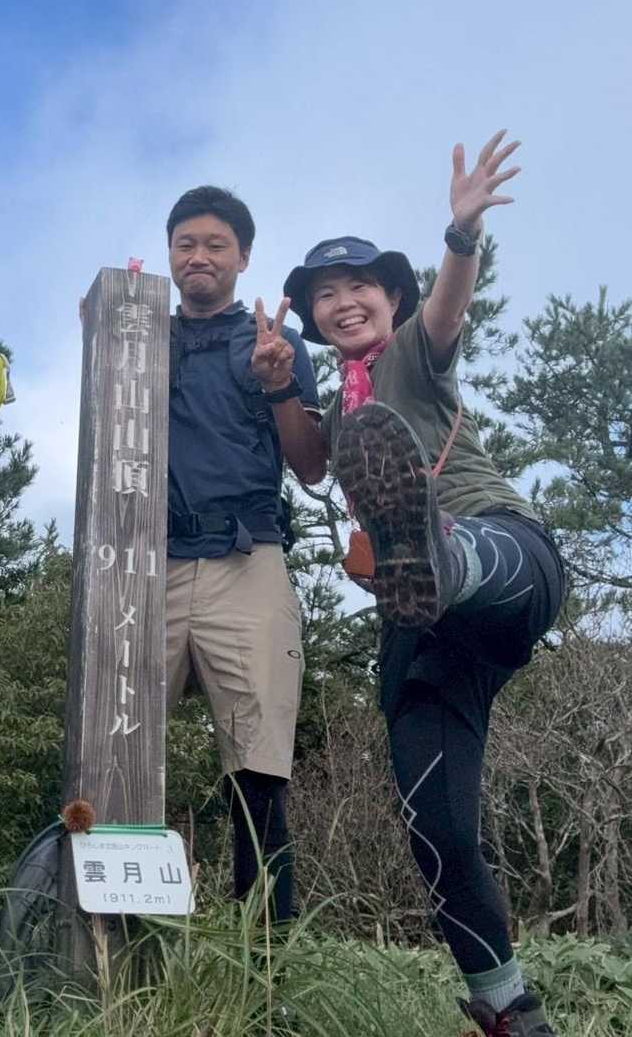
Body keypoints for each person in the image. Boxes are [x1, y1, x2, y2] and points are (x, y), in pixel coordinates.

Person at [282, 133, 565, 1037]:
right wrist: (278, 384)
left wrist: (461, 231)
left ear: (391, 298)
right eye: (324, 294)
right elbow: (310, 466)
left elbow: (448, 309)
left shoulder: (411, 350)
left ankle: (444, 555)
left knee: (470, 554)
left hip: (503, 557)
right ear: (313, 316)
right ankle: (506, 1004)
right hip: (424, 625)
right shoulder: (341, 403)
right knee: (432, 821)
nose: (342, 301)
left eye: (358, 285)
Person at [165, 186, 325, 925]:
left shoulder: (271, 340)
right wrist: (102, 327)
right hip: (147, 562)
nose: (198, 256)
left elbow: (311, 464)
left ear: (244, 257)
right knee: (111, 743)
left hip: (247, 556)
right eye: (185, 243)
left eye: (215, 244)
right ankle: (108, 948)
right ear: (170, 253)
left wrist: (279, 381)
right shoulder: (141, 334)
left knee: (257, 766)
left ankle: (263, 962)